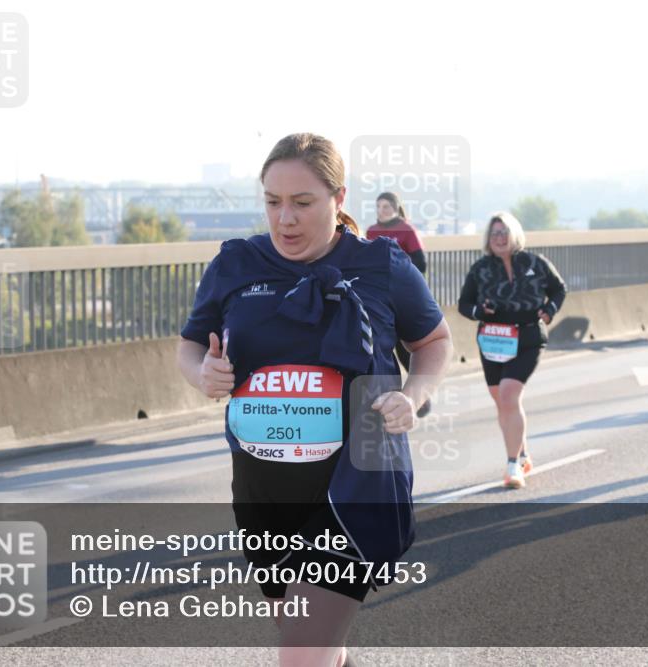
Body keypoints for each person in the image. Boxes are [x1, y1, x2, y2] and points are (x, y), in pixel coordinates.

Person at [177, 132, 452, 666]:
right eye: (273, 202)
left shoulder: (382, 264)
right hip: (264, 482)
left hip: (361, 477)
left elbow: (434, 341)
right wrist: (201, 372)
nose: (285, 219)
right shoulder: (236, 264)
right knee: (316, 646)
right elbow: (190, 344)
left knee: (301, 654)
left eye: (302, 203)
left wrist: (413, 396)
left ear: (338, 198)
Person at [458, 212, 567, 489]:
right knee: (503, 402)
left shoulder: (535, 262)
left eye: (504, 232)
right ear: (488, 239)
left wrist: (549, 310)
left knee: (509, 394)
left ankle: (513, 466)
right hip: (493, 340)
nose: (500, 238)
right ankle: (523, 454)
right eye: (494, 233)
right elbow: (464, 304)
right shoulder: (480, 268)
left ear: (514, 234)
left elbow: (558, 290)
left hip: (528, 335)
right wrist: (479, 311)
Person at [365, 192, 433, 416]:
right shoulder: (371, 232)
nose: (382, 211)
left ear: (395, 208)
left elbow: (420, 263)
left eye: (386, 207)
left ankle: (418, 396)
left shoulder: (407, 230)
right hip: (377, 298)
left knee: (407, 347)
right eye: (379, 207)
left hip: (402, 295)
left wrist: (399, 277)